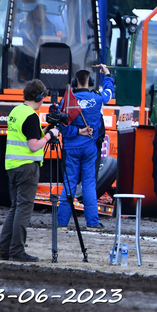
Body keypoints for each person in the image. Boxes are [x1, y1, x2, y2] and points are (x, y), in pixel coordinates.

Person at [0, 79, 60, 262]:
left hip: (13, 166)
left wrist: (45, 131)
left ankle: (2, 250)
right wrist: (50, 135)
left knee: (15, 208)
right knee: (23, 209)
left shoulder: (16, 111)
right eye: (43, 97)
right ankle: (17, 251)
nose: (44, 100)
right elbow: (33, 145)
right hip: (26, 167)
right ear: (39, 97)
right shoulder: (31, 116)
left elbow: (27, 136)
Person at [57, 65, 114, 230]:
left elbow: (61, 127)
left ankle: (61, 223)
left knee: (69, 184)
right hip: (90, 149)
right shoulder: (98, 98)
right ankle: (92, 223)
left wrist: (77, 131)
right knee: (89, 184)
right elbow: (109, 92)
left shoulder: (67, 101)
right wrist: (107, 75)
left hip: (71, 148)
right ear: (91, 82)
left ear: (75, 82)